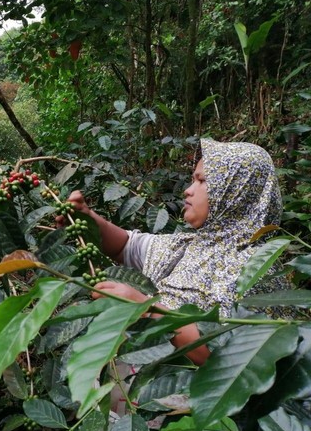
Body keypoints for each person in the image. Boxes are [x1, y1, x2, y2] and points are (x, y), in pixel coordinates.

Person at [64, 138, 288, 365]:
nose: (188, 191)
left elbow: (234, 361)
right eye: (192, 180)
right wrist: (87, 218)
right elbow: (126, 246)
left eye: (202, 181)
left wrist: (145, 309)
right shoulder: (188, 245)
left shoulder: (259, 268)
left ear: (236, 191)